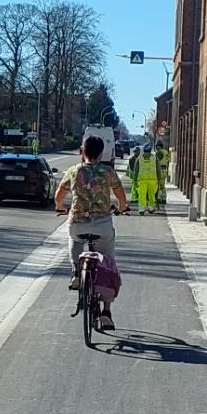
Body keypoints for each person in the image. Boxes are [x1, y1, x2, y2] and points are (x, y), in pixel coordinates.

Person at [56, 135, 129, 331]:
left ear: (82, 152)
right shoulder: (108, 172)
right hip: (102, 225)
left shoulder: (73, 171)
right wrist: (121, 208)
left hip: (78, 223)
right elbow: (121, 198)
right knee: (107, 262)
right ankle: (106, 312)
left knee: (73, 240)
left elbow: (58, 197)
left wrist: (60, 207)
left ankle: (76, 273)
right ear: (101, 153)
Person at [155, 141, 171, 209]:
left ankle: (159, 198)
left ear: (159, 146)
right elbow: (167, 161)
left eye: (156, 146)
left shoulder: (159, 152)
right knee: (162, 186)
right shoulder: (166, 152)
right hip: (164, 170)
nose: (156, 147)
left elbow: (156, 161)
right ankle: (164, 198)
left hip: (159, 170)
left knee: (158, 185)